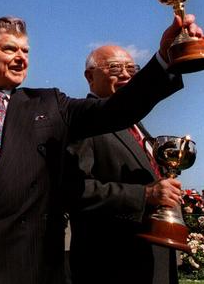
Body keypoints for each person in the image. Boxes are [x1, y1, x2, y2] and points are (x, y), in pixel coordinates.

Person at [0, 14, 204, 284]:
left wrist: (164, 59)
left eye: (25, 51)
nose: (21, 58)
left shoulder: (50, 105)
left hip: (34, 268)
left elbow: (118, 110)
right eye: (10, 49)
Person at [68, 45, 181, 284]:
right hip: (113, 266)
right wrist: (144, 194)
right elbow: (75, 190)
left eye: (132, 68)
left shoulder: (139, 127)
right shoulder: (83, 123)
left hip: (154, 260)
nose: (126, 75)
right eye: (115, 68)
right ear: (89, 76)